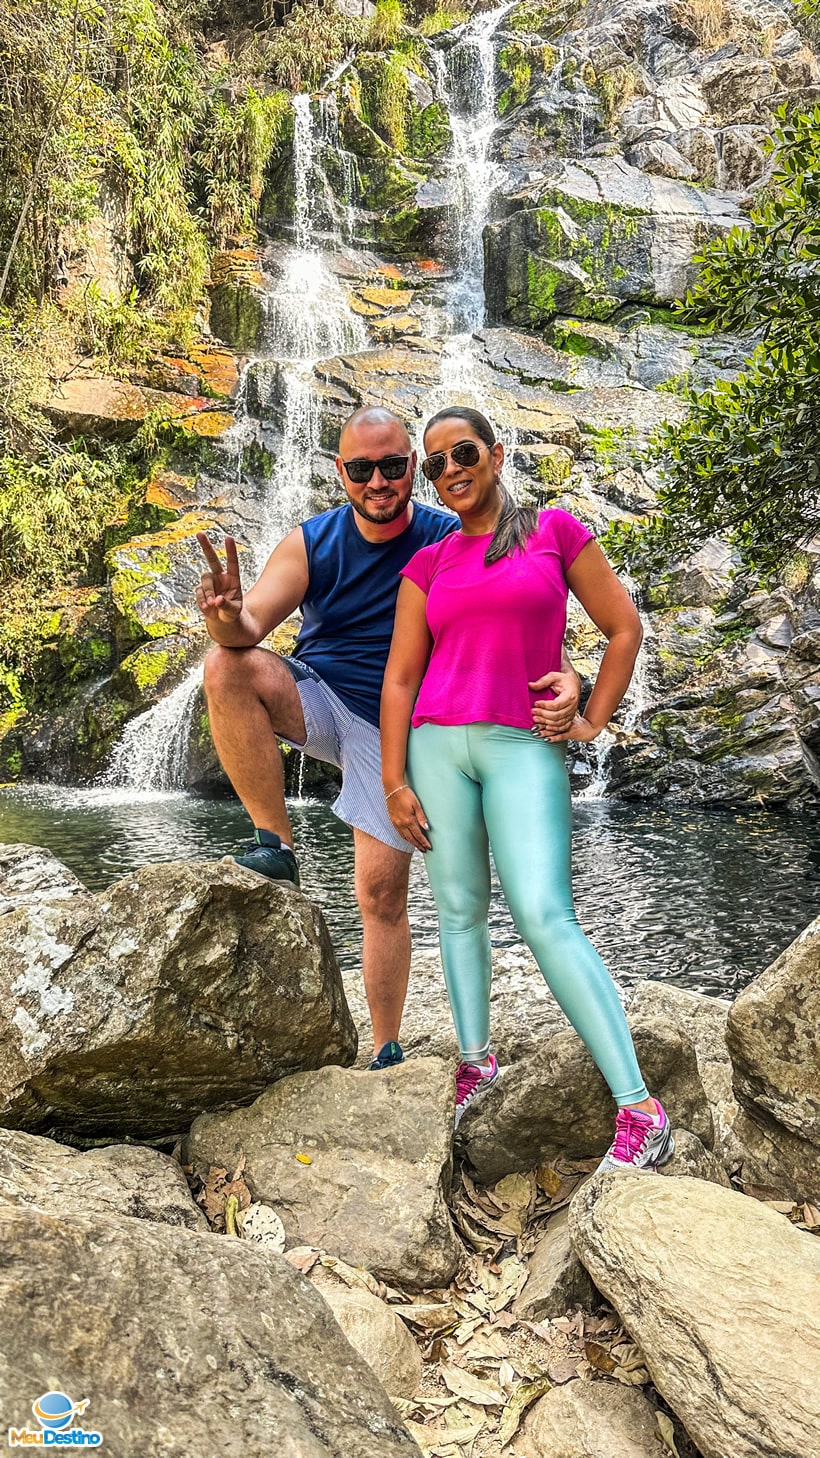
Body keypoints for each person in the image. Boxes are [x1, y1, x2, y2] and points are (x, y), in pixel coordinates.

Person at [195, 405, 581, 1070]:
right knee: (224, 665)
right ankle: (274, 843)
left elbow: (523, 610)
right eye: (364, 469)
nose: (380, 482)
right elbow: (248, 630)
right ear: (341, 472)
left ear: (417, 471)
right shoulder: (310, 542)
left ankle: (385, 1047)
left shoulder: (447, 536)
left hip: (401, 727)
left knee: (379, 891)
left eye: (396, 467)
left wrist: (570, 678)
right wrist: (227, 618)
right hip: (320, 699)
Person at [380, 406, 674, 1173]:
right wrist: (393, 778)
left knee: (546, 916)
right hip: (437, 745)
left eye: (463, 453)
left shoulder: (554, 532)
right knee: (458, 911)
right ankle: (475, 1064)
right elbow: (402, 675)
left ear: (497, 453)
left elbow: (623, 627)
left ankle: (640, 1105)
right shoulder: (432, 561)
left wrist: (590, 715)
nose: (450, 472)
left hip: (523, 743)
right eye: (435, 463)